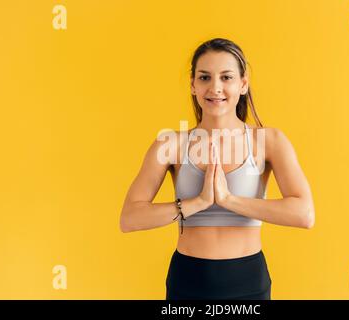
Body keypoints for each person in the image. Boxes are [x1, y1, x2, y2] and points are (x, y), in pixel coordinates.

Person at [119, 38, 315, 300]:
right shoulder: (171, 144)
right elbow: (130, 218)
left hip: (248, 282)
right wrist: (195, 203)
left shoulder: (269, 142)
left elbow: (304, 214)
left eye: (226, 77)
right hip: (187, 280)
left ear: (243, 84)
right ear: (193, 85)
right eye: (204, 77)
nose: (215, 87)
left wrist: (229, 200)